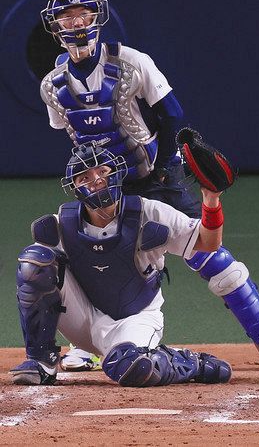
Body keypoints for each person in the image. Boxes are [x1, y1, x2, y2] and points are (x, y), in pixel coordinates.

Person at [38, 0, 259, 371]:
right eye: (67, 16)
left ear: (97, 17)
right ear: (54, 26)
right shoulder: (52, 86)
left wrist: (163, 168)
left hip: (152, 172)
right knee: (87, 260)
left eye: (83, 14)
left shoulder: (131, 61)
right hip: (101, 185)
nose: (76, 23)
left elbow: (171, 113)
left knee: (203, 249)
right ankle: (89, 346)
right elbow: (74, 138)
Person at [10, 142, 233, 386]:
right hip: (84, 318)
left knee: (132, 368)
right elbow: (36, 276)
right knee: (34, 263)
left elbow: (207, 242)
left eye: (102, 171)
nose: (95, 180)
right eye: (84, 176)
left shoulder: (150, 213)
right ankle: (42, 361)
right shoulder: (62, 224)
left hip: (134, 318)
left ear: (116, 174)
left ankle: (189, 362)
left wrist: (211, 200)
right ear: (75, 188)